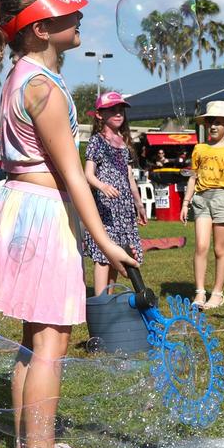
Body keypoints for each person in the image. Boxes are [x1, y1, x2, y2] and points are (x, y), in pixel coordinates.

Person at [0, 0, 136, 448]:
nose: (79, 16)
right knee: (51, 345)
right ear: (41, 29)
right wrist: (106, 242)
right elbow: (72, 177)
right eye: (68, 12)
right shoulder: (45, 89)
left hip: (19, 209)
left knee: (33, 340)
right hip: (42, 214)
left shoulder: (20, 75)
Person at [180, 101, 224, 309]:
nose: (213, 126)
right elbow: (192, 177)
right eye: (210, 123)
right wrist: (185, 202)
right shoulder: (199, 149)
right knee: (201, 246)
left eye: (218, 122)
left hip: (223, 199)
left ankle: (217, 293)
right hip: (201, 199)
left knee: (219, 249)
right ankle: (199, 292)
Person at [83, 91, 147, 295]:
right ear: (100, 115)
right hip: (105, 208)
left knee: (120, 250)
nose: (118, 113)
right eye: (113, 110)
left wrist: (138, 204)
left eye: (121, 110)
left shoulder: (123, 143)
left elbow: (130, 178)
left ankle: (108, 297)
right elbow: (88, 174)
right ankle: (100, 301)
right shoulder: (97, 141)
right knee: (104, 254)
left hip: (123, 207)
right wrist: (102, 186)